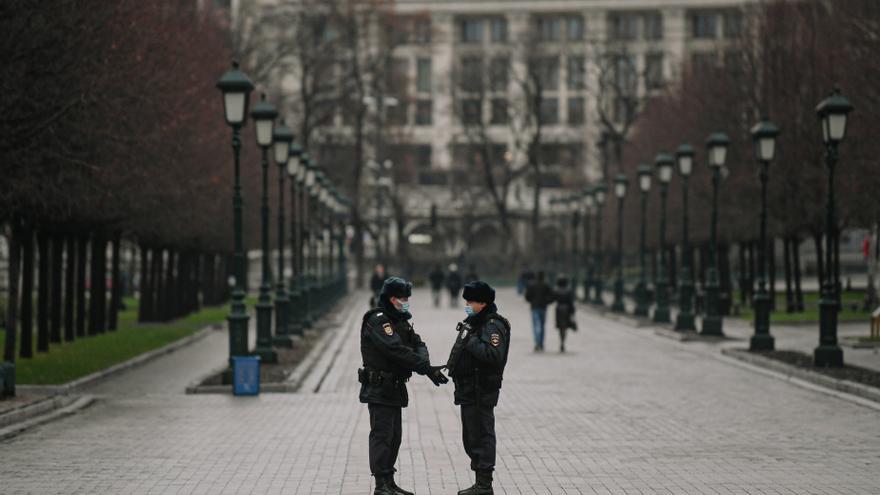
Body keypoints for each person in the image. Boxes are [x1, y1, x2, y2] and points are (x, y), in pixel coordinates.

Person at [359, 277, 448, 495]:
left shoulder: (401, 321)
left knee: (394, 437)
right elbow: (396, 350)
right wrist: (426, 369)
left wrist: (425, 364)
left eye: (407, 297)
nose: (406, 301)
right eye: (403, 298)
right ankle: (381, 485)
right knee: (382, 436)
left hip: (395, 388)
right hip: (379, 387)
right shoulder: (379, 320)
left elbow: (418, 344)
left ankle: (389, 482)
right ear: (391, 298)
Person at [447, 281, 510, 495]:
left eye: (470, 301)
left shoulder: (492, 325)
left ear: (483, 303)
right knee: (471, 436)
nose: (467, 304)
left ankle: (484, 484)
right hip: (469, 390)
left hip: (481, 390)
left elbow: (494, 355)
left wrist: (471, 342)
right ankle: (480, 482)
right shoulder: (474, 322)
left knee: (481, 435)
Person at [524, 271, 552, 351]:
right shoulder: (546, 285)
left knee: (536, 325)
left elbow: (527, 296)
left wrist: (532, 301)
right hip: (543, 307)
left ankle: (537, 342)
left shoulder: (532, 285)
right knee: (542, 326)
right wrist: (547, 301)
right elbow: (551, 296)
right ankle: (541, 343)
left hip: (534, 307)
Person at [553, 277, 576, 353]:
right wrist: (573, 312)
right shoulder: (569, 291)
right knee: (565, 327)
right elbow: (571, 302)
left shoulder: (556, 290)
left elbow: (552, 299)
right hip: (567, 309)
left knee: (560, 327)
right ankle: (563, 341)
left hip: (559, 309)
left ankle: (561, 340)